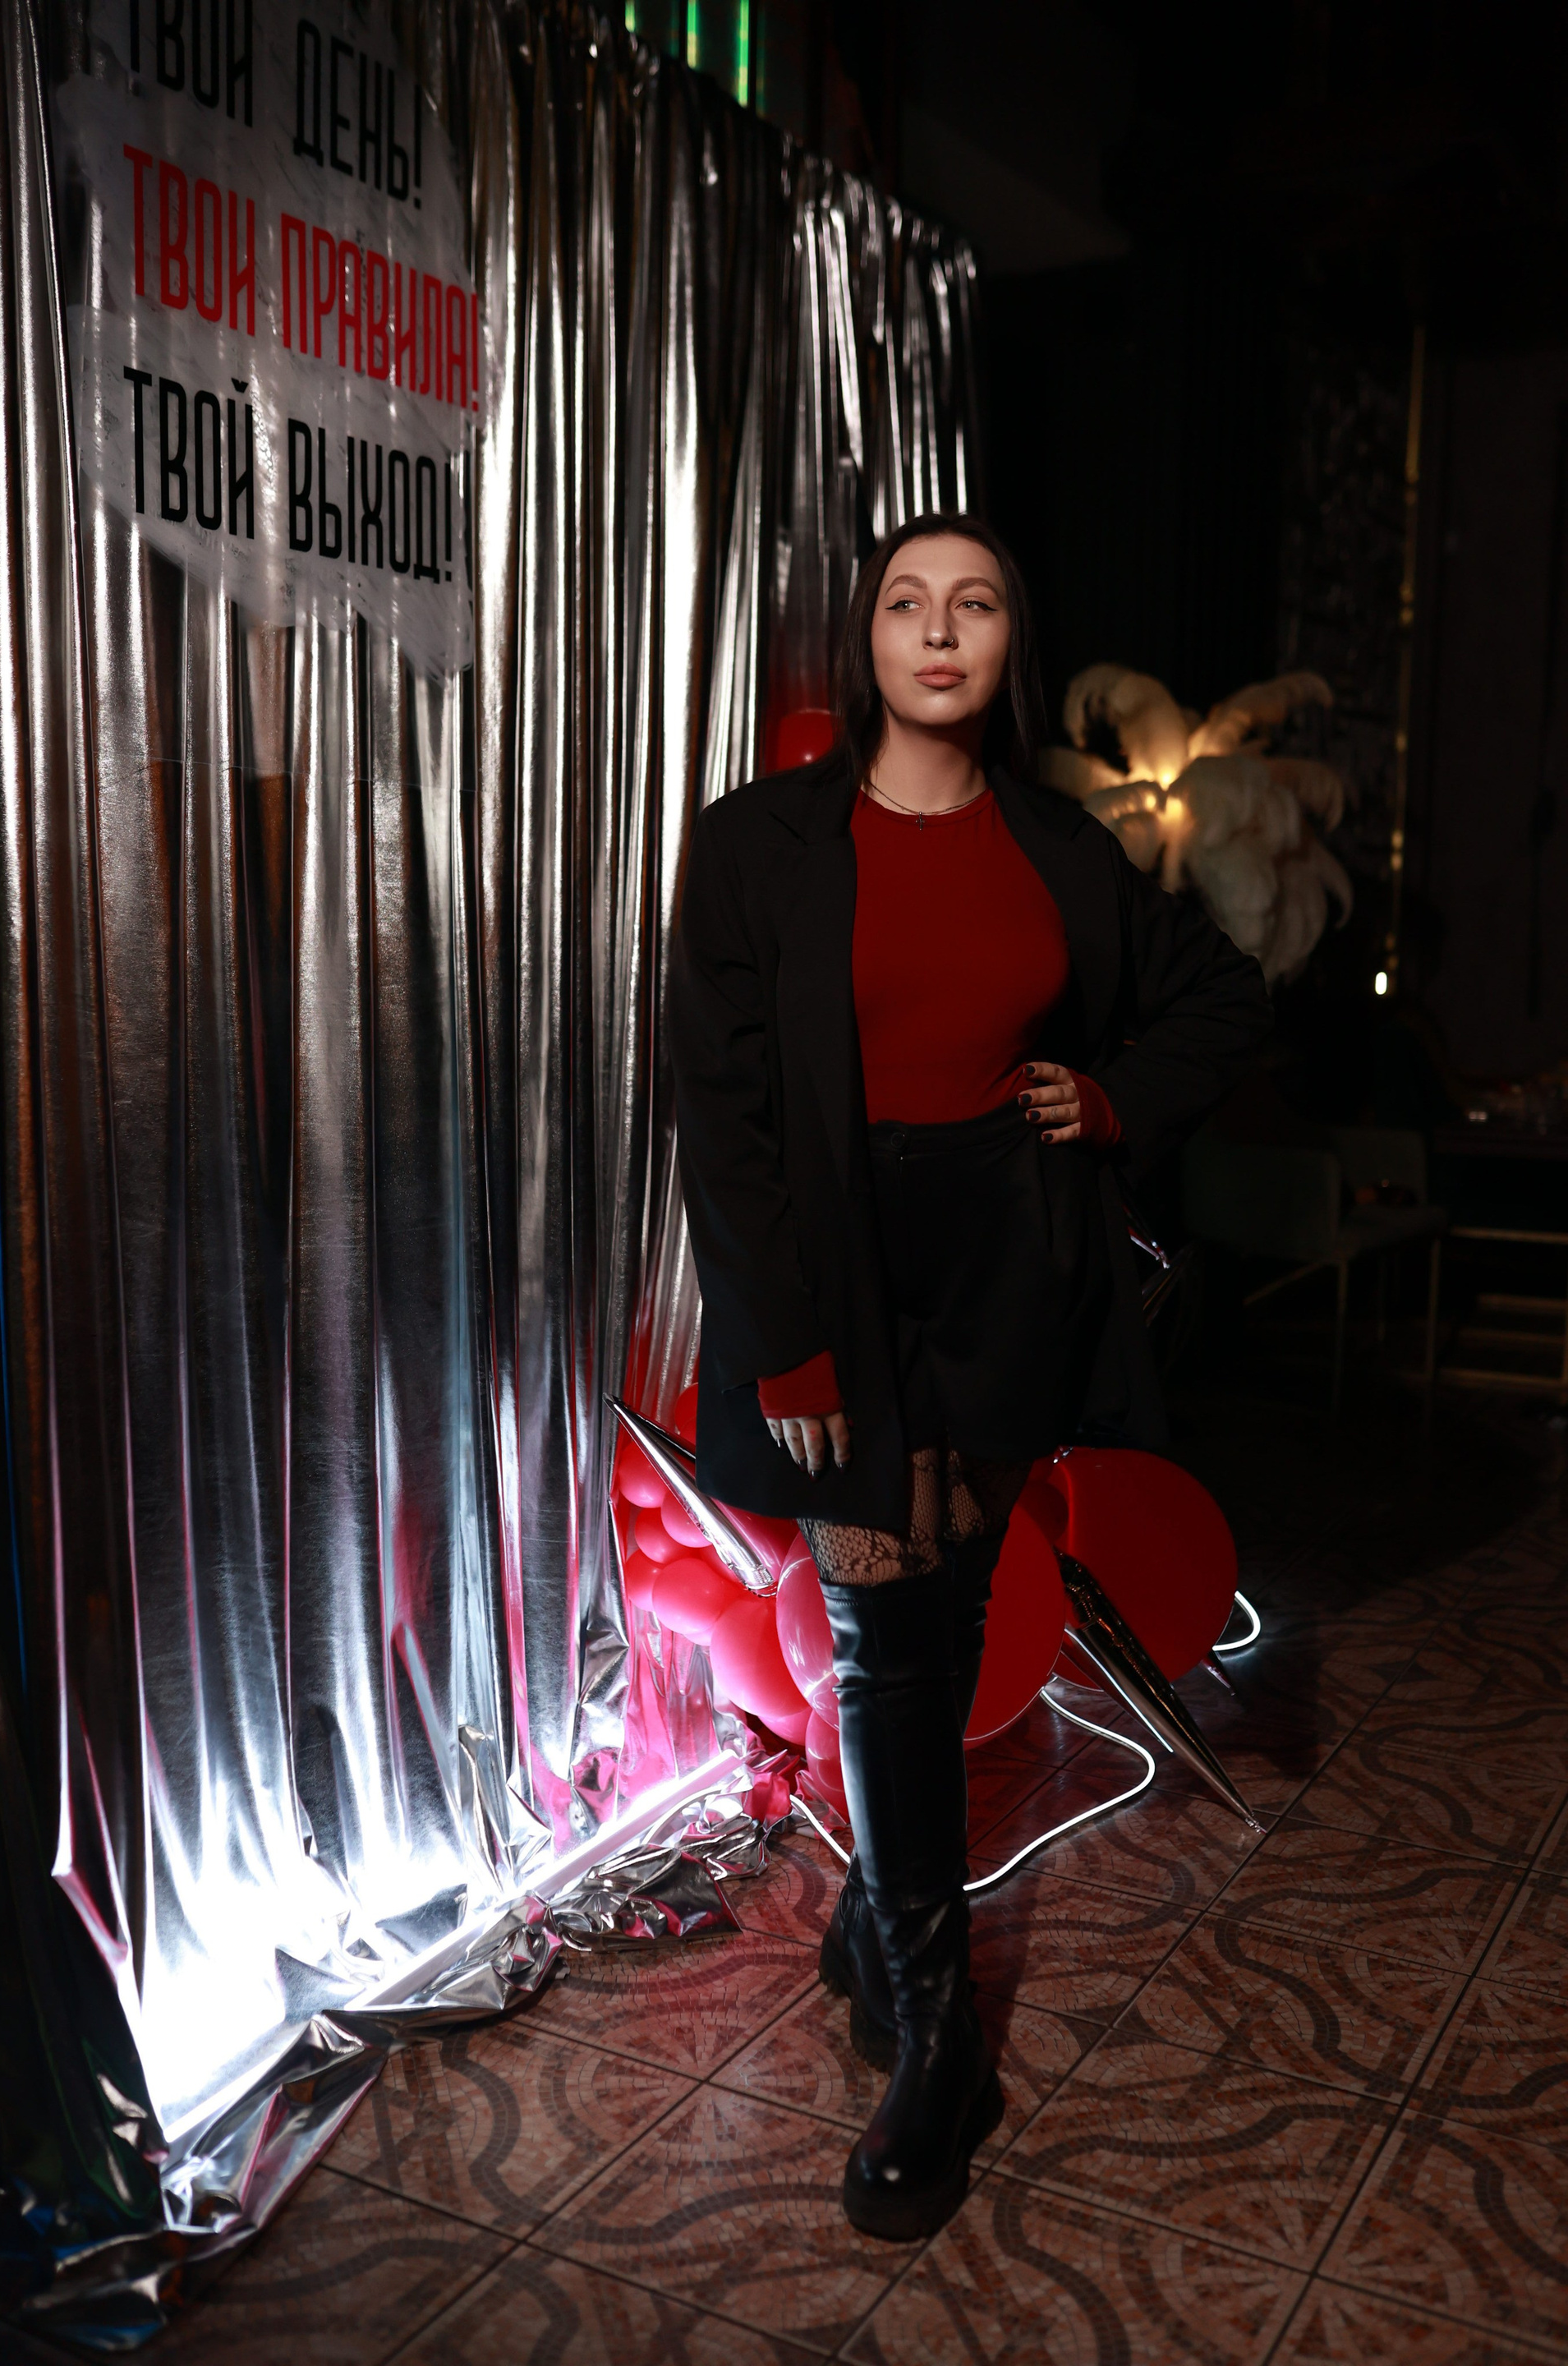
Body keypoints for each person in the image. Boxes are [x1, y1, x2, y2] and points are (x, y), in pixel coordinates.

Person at [667, 513, 1271, 2241]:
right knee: (879, 1633)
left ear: (1012, 641)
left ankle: (878, 1926)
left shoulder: (1065, 850)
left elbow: (1222, 999)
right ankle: (944, 2045)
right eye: (908, 604)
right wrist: (786, 1339)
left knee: (945, 1614)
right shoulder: (757, 843)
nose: (940, 632)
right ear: (867, 638)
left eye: (977, 604)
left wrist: (1115, 1099)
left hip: (1010, 1259)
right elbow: (726, 1115)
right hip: (841, 1272)